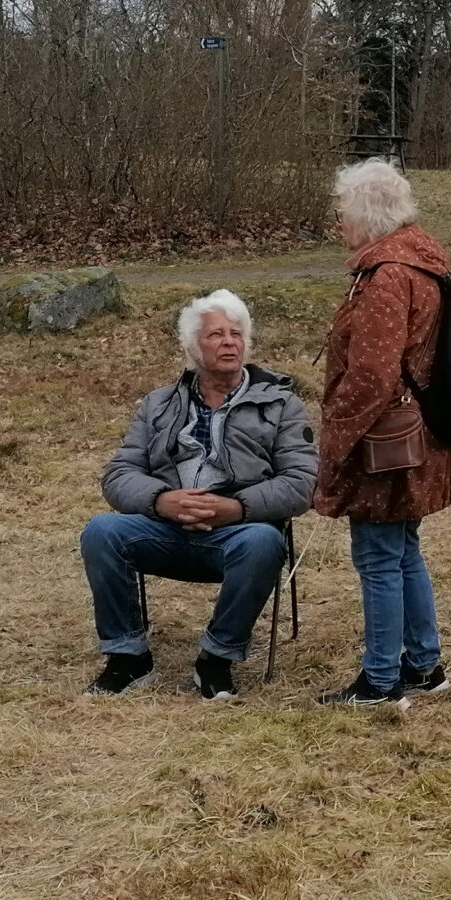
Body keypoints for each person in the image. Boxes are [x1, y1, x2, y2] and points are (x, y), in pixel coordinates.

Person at [84, 290, 316, 700]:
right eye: (216, 335)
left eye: (236, 333)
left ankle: (216, 659)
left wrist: (238, 508)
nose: (229, 341)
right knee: (101, 531)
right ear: (193, 347)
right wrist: (161, 501)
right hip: (164, 529)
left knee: (265, 541)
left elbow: (302, 481)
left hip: (237, 534)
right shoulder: (158, 404)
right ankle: (128, 657)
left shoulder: (282, 405)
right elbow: (118, 474)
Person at [312, 158, 451, 707]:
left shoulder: (388, 275)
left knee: (378, 554)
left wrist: (335, 441)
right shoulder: (420, 263)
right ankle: (424, 667)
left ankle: (380, 681)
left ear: (369, 214)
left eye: (343, 212)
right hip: (415, 433)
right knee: (402, 551)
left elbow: (372, 373)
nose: (339, 223)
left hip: (386, 441)